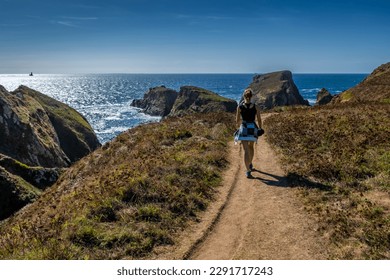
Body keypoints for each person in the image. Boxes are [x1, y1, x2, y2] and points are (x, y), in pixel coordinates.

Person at [235, 88, 262, 178]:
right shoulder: (256, 106)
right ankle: (250, 163)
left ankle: (248, 171)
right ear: (252, 96)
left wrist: (238, 128)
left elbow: (237, 120)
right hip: (253, 128)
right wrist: (260, 128)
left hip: (244, 128)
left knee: (246, 150)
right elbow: (259, 119)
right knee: (251, 147)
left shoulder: (239, 107)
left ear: (244, 96)